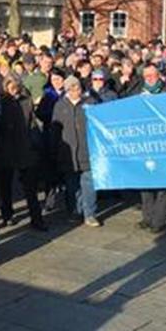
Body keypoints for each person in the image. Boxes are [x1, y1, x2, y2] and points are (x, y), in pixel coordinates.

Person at [125, 63, 166, 233]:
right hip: (144, 143)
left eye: (152, 75)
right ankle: (147, 216)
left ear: (159, 75)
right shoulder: (136, 93)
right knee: (145, 182)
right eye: (146, 76)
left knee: (163, 183)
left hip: (163, 143)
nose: (150, 78)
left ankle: (158, 220)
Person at [0, 74, 46, 230]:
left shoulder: (26, 101)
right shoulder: (1, 103)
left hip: (25, 147)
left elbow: (32, 122)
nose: (13, 89)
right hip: (6, 148)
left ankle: (36, 219)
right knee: (6, 186)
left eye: (15, 86)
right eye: (10, 86)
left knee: (30, 187)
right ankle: (7, 214)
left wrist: (35, 142)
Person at [51, 75, 100, 227]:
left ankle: (90, 214)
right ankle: (75, 211)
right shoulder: (60, 105)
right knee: (72, 185)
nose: (75, 91)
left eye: (77, 88)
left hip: (87, 151)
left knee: (89, 184)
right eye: (71, 88)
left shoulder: (90, 103)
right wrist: (56, 150)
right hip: (68, 154)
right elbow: (55, 130)